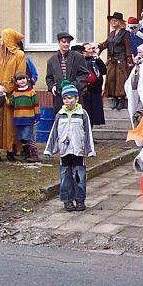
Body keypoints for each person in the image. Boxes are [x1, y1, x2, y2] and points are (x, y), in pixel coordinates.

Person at [43, 83, 96, 212]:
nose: (68, 101)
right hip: (64, 151)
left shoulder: (82, 114)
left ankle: (80, 200)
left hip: (78, 151)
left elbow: (88, 132)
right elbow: (54, 132)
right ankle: (67, 200)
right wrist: (49, 149)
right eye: (65, 98)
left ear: (77, 98)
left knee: (79, 176)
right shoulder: (60, 114)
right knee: (65, 176)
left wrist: (90, 150)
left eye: (71, 98)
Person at [0, 28, 28, 161]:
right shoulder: (0, 54)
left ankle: (10, 149)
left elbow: (20, 74)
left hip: (12, 94)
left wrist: (8, 88)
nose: (0, 40)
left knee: (10, 125)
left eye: (2, 37)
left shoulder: (19, 55)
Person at [46, 32, 89, 115]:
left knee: (76, 119)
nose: (66, 44)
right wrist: (52, 86)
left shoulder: (77, 56)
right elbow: (49, 78)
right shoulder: (52, 60)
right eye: (64, 42)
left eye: (68, 42)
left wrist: (74, 85)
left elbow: (84, 74)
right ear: (58, 42)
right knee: (61, 121)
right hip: (59, 96)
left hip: (74, 95)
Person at [100, 12, 132, 111]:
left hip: (121, 60)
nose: (112, 22)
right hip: (112, 60)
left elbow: (128, 47)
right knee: (111, 79)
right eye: (111, 20)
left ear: (120, 22)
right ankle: (115, 99)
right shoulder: (111, 34)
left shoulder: (125, 33)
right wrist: (99, 48)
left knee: (120, 80)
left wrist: (129, 59)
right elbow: (106, 44)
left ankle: (121, 100)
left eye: (115, 20)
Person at [9, 72, 41, 162]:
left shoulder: (31, 92)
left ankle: (34, 155)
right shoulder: (15, 93)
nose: (22, 81)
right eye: (19, 79)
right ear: (16, 82)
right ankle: (27, 154)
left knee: (29, 137)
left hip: (29, 118)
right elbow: (11, 103)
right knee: (22, 138)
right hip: (18, 119)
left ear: (27, 79)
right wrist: (3, 96)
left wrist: (37, 116)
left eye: (23, 78)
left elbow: (36, 104)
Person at [81, 42, 106, 126]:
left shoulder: (95, 60)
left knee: (94, 116)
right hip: (86, 92)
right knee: (87, 115)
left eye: (91, 48)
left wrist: (98, 60)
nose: (91, 50)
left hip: (96, 92)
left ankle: (90, 134)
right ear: (83, 51)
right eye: (89, 49)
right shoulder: (81, 61)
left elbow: (104, 71)